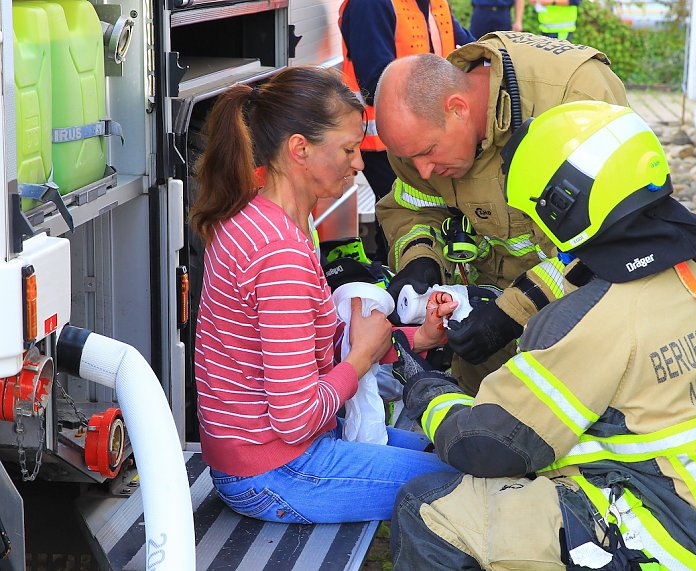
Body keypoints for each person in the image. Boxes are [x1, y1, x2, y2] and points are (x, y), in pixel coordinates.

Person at [387, 101, 696, 570]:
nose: (540, 228)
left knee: (429, 507)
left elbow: (490, 444)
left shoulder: (599, 316)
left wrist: (424, 388)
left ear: (564, 203)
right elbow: (577, 275)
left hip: (680, 546)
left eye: (539, 211)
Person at [189, 66, 461, 524]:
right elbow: (296, 419)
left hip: (261, 459)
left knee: (459, 453)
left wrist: (416, 340)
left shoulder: (262, 217)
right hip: (276, 472)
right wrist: (359, 360)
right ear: (300, 150)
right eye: (349, 150)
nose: (359, 163)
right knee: (465, 483)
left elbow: (316, 341)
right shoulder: (280, 255)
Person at [374, 32, 628, 394]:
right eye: (409, 158)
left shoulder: (575, 97)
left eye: (428, 151)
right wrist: (420, 259)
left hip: (584, 335)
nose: (423, 170)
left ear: (458, 108)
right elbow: (411, 206)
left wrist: (513, 311)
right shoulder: (420, 139)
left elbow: (608, 243)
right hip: (484, 340)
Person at [338, 0, 474, 262]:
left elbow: (470, 50)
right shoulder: (371, 5)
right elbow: (375, 80)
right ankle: (397, 275)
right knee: (402, 213)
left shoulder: (434, 3)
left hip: (425, 138)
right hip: (387, 142)